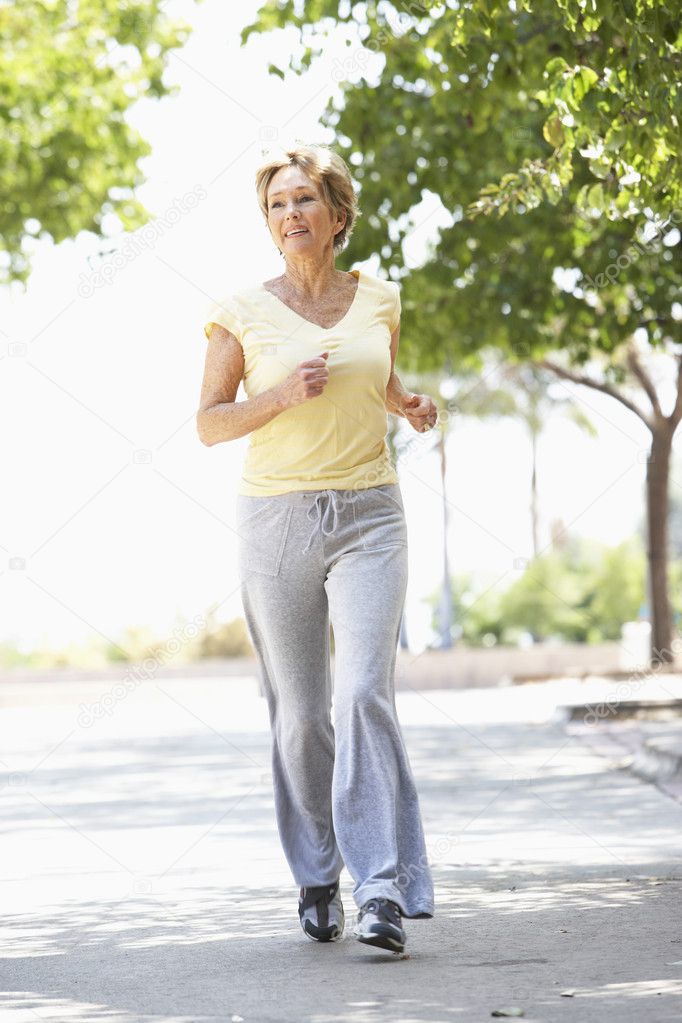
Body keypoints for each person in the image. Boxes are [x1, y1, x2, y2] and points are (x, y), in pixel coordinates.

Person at [197, 143, 438, 954]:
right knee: (300, 714)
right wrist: (275, 396)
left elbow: (382, 380)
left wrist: (409, 404)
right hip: (278, 522)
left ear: (336, 216)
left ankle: (379, 889)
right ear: (269, 227)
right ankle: (316, 873)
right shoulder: (240, 312)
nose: (291, 214)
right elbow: (208, 422)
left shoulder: (381, 298)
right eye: (277, 205)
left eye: (304, 200)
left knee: (364, 688)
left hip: (372, 511)